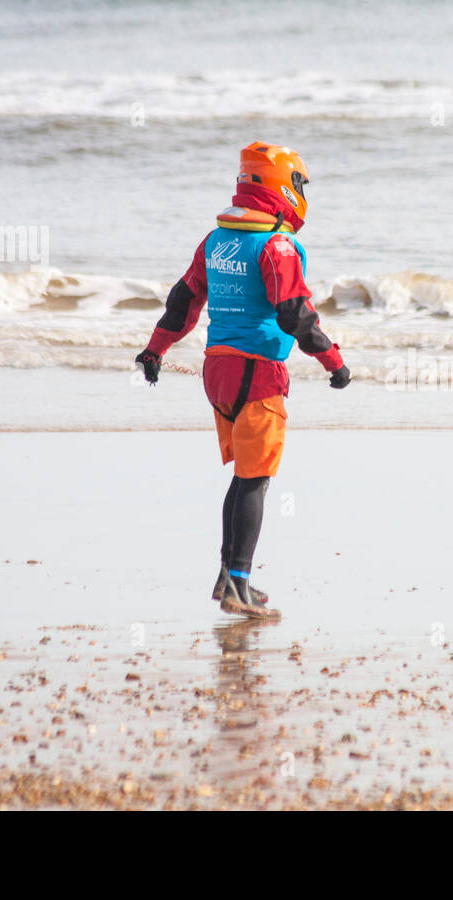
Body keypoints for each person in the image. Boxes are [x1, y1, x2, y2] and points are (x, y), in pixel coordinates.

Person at [135, 142, 349, 619]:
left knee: (243, 479)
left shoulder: (216, 241)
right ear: (282, 187)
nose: (301, 193)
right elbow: (295, 314)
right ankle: (238, 585)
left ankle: (228, 577)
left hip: (217, 373)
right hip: (258, 375)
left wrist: (155, 349)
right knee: (256, 482)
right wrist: (334, 362)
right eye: (298, 184)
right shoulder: (277, 246)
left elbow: (182, 302)